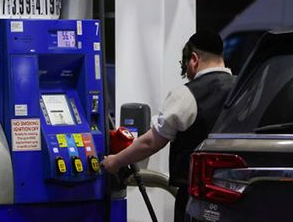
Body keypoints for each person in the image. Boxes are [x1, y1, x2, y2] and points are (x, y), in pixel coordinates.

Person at [101, 29, 236, 222]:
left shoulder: (187, 95)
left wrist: (115, 161)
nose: (187, 74)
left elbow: (152, 142)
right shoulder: (244, 89)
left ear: (194, 59)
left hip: (197, 199)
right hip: (235, 196)